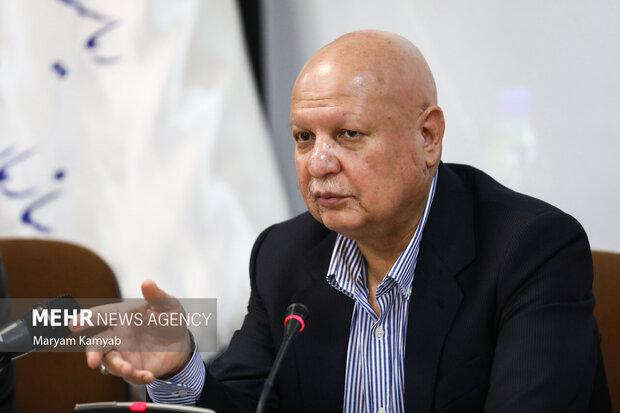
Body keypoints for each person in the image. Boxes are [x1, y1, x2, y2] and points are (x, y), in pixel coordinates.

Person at [79, 30, 610, 412]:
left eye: (349, 135)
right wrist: (181, 368)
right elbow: (246, 403)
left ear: (427, 137)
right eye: (303, 138)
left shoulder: (530, 250)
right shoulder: (284, 255)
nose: (318, 163)